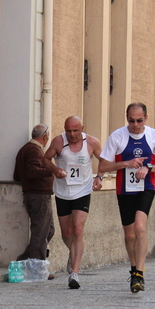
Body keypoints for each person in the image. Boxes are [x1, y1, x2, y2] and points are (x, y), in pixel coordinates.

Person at [98, 103, 155, 293]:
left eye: (139, 120)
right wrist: (126, 163)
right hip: (124, 190)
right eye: (131, 120)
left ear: (146, 118)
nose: (135, 124)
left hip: (146, 187)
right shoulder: (117, 136)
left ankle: (139, 273)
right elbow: (103, 166)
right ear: (127, 118)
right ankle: (133, 268)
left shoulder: (154, 136)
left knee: (140, 226)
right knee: (129, 234)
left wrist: (148, 167)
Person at [43, 116, 104, 289]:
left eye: (75, 131)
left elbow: (104, 160)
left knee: (78, 228)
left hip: (83, 191)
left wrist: (99, 178)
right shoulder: (58, 141)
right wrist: (55, 169)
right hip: (63, 192)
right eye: (69, 131)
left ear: (82, 128)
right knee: (66, 232)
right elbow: (45, 159)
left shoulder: (91, 142)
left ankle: (74, 273)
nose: (72, 134)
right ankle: (73, 252)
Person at [13, 124, 56, 278]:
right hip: (39, 196)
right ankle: (36, 268)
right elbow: (32, 172)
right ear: (45, 136)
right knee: (40, 232)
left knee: (48, 230)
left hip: (34, 195)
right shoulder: (33, 150)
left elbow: (17, 176)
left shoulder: (25, 149)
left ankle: (24, 260)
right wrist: (51, 170)